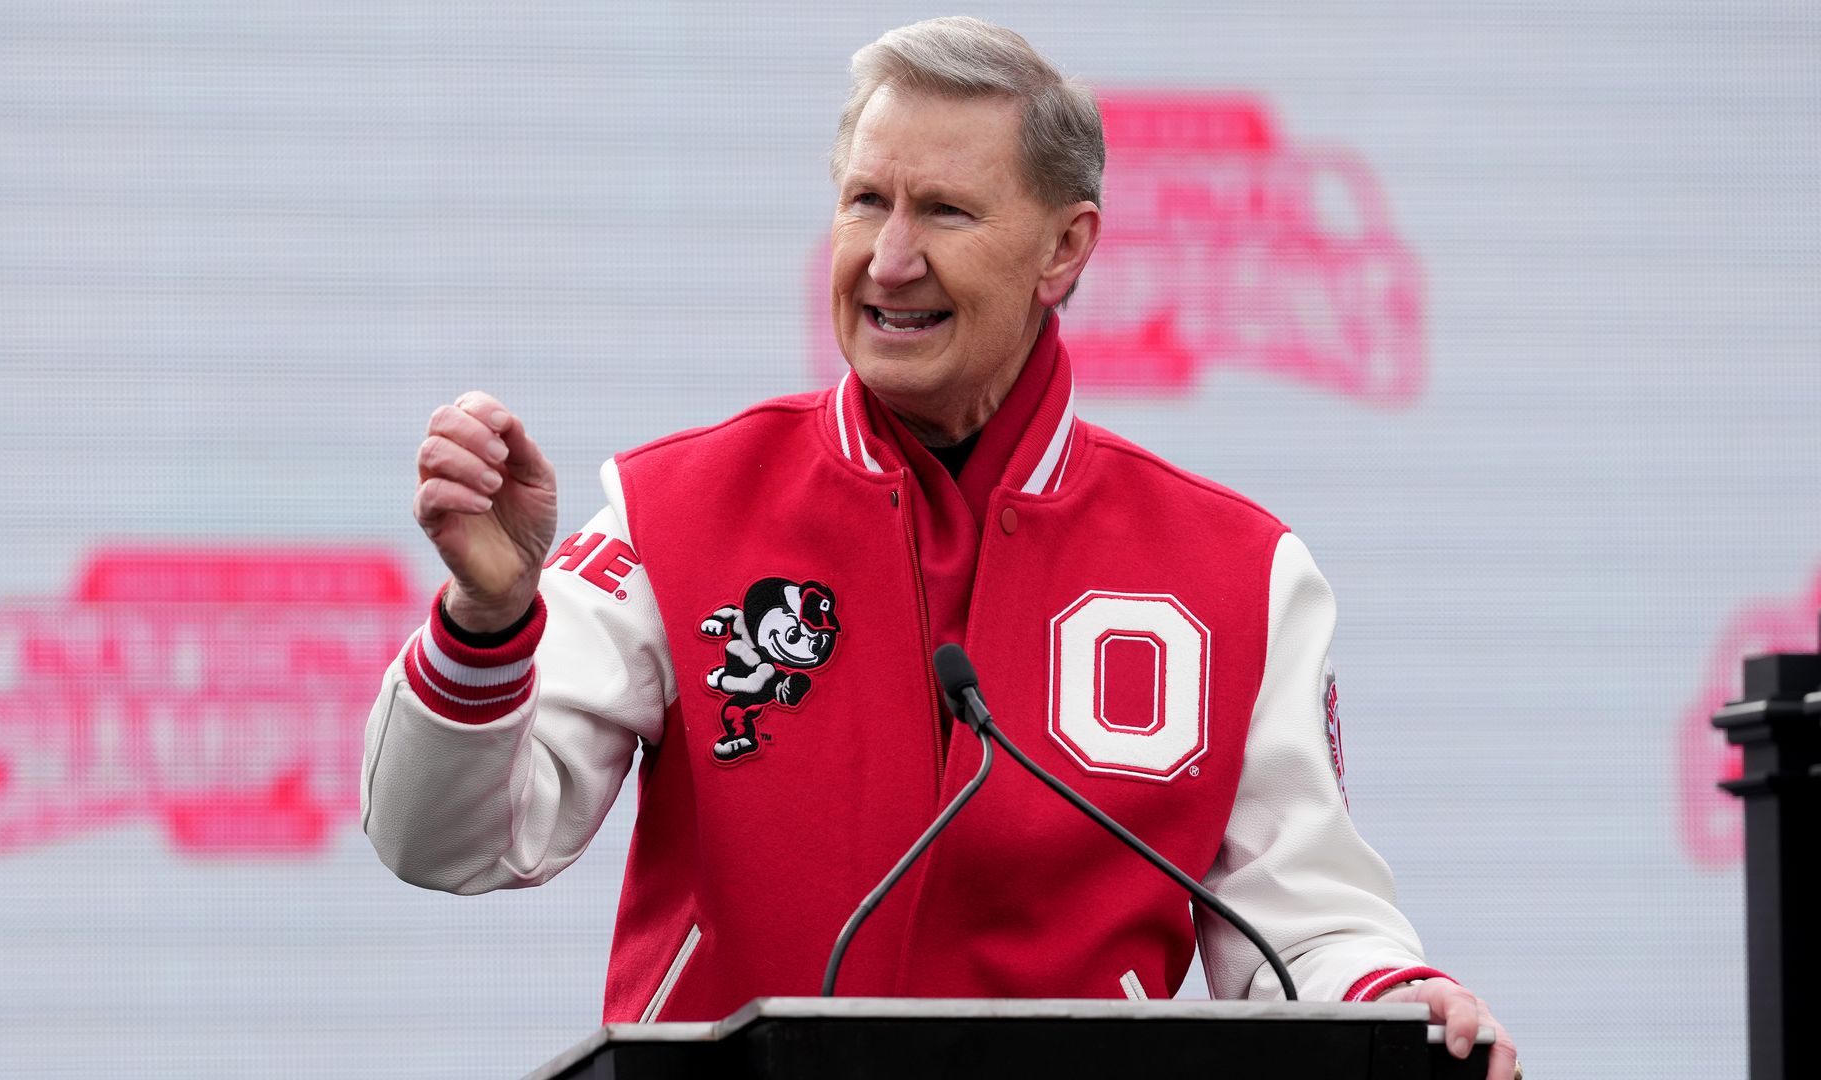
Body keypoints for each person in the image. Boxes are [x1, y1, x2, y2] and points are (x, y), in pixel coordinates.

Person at [363, 17, 1517, 1079]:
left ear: (1064, 252)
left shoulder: (1238, 574)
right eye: (867, 202)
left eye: (946, 213)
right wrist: (487, 624)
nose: (891, 259)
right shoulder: (675, 510)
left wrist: (1403, 1001)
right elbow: (449, 843)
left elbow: (1304, 925)